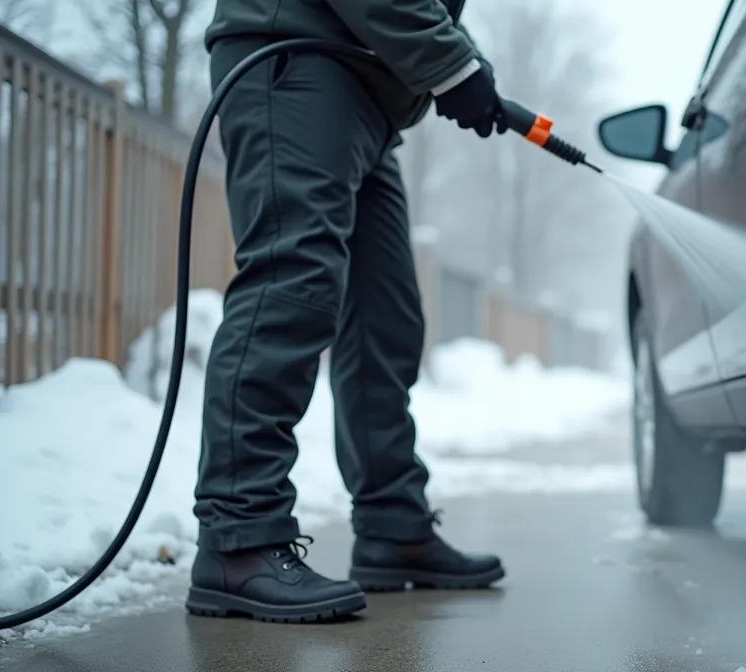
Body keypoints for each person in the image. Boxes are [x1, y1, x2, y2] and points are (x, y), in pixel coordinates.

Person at [185, 0, 508, 623]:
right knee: (292, 289)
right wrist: (451, 64)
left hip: (369, 89)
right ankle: (238, 538)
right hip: (299, 60)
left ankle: (393, 526)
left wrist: (457, 56)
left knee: (386, 320)